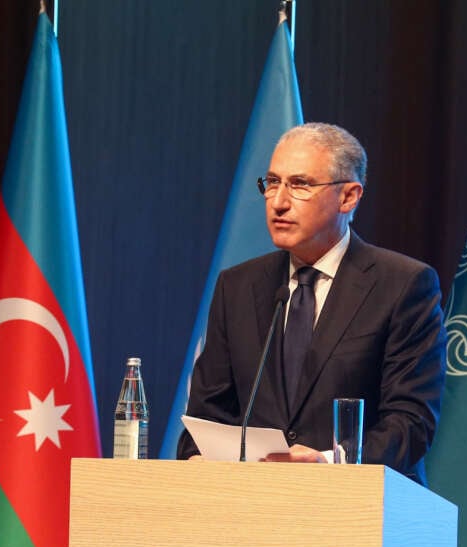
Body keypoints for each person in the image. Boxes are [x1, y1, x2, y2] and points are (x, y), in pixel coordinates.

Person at [177, 123, 446, 483]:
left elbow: (411, 424)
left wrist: (329, 463)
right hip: (250, 509)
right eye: (272, 183)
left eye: (300, 185)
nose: (279, 202)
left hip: (356, 511)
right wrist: (196, 456)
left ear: (348, 197)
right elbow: (207, 416)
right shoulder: (238, 287)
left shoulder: (402, 285)